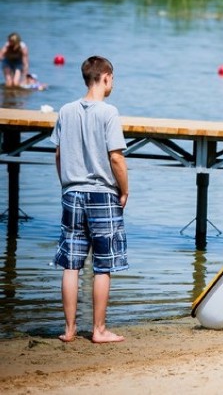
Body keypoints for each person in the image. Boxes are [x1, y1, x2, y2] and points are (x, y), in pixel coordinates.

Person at [50, 56, 129, 343]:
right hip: (102, 195)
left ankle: (69, 330)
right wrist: (124, 190)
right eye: (113, 79)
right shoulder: (109, 113)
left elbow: (58, 154)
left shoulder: (66, 110)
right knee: (103, 265)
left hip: (71, 193)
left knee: (71, 263)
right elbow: (116, 157)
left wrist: (67, 184)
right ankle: (98, 330)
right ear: (106, 77)